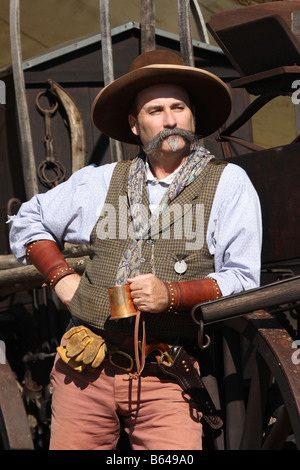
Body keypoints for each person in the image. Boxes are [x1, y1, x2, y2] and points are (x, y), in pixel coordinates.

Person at [9, 50, 262, 450]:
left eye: (179, 107)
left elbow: (243, 278)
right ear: (134, 124)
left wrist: (172, 295)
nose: (169, 119)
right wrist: (60, 278)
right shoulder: (101, 181)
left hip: (167, 375)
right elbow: (28, 220)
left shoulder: (228, 183)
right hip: (84, 368)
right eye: (155, 110)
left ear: (192, 116)